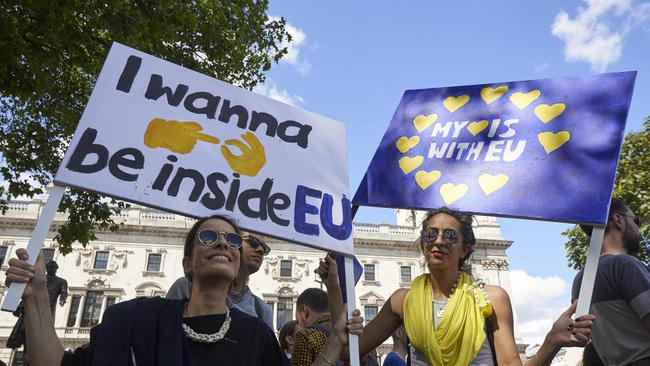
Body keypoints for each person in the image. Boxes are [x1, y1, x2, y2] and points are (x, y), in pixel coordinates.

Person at [319, 207, 596, 366]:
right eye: (431, 234)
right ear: (423, 244)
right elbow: (348, 350)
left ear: (465, 248)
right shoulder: (401, 301)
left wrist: (550, 342)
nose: (438, 241)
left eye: (449, 235)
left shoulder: (492, 298)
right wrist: (333, 285)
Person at [5, 215, 284, 366]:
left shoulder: (257, 336)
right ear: (188, 264)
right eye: (208, 237)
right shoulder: (134, 320)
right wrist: (36, 295)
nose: (223, 244)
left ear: (237, 266)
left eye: (233, 240)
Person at [573, 198, 650, 365]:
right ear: (618, 220)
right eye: (636, 220)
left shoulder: (579, 280)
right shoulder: (625, 265)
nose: (639, 228)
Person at [167, 230, 274, 329]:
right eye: (253, 242)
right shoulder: (186, 287)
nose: (260, 250)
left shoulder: (262, 310)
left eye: (265, 248)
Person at [292, 288, 333, 366]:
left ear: (305, 311)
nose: (299, 326)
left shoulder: (306, 336)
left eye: (298, 321)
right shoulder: (351, 330)